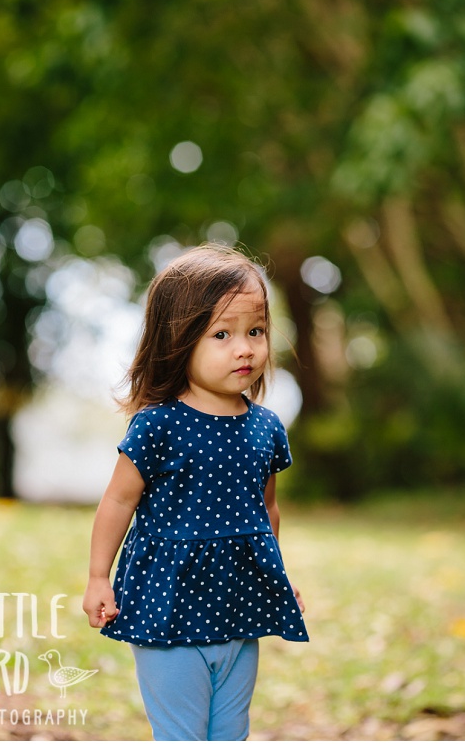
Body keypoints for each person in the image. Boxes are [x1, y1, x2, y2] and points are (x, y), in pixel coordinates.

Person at [83, 244, 308, 742]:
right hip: (167, 606)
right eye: (222, 335)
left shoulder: (266, 428)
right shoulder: (157, 426)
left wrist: (276, 575)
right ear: (179, 341)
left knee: (230, 731)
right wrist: (99, 577)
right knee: (182, 734)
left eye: (255, 332)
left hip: (239, 606)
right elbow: (117, 502)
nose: (245, 348)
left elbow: (266, 509)